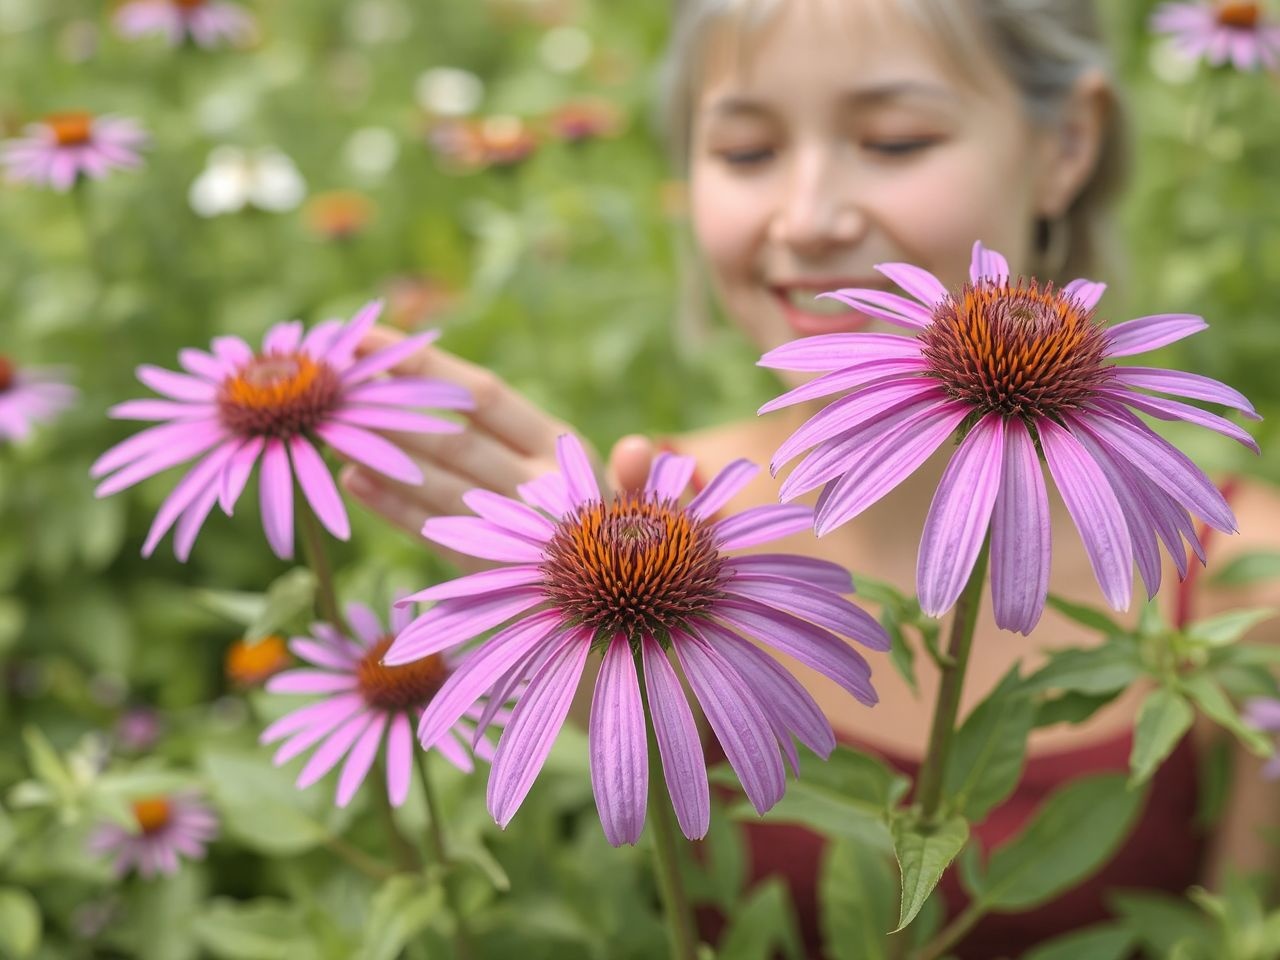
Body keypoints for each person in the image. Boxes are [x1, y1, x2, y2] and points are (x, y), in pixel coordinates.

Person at [339, 0, 1280, 954]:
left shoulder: (1252, 594)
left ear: (1065, 146)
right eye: (747, 153)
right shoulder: (644, 511)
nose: (808, 220)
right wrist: (623, 688)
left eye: (896, 140)